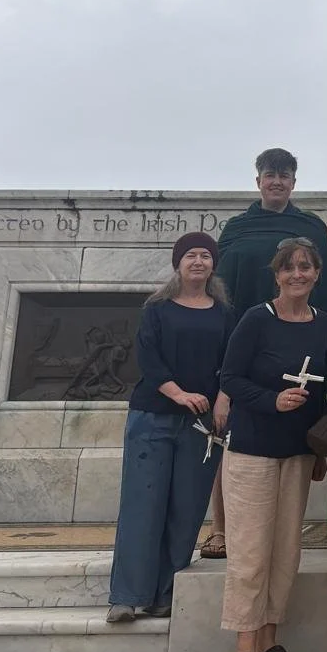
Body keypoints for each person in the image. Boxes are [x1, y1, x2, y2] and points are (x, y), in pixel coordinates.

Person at [206, 148, 327, 561]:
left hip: (297, 349)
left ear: (294, 182)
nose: (276, 181)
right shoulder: (237, 228)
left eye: (284, 175)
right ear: (257, 180)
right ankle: (220, 528)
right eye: (269, 174)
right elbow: (219, 296)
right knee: (230, 437)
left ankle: (279, 539)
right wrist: (225, 377)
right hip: (245, 347)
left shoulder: (311, 226)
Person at [217, 236, 327, 652]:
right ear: (277, 273)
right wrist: (272, 400)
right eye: (290, 268)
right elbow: (230, 378)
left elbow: (323, 389)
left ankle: (269, 643)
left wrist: (321, 451)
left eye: (306, 267)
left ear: (317, 274)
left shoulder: (324, 324)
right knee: (250, 548)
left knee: (286, 549)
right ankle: (244, 646)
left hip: (298, 452)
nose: (298, 274)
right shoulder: (256, 319)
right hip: (252, 449)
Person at [107, 234, 234, 623]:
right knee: (143, 505)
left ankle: (164, 592)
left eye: (205, 256)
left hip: (201, 425)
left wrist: (223, 401)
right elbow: (148, 356)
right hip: (153, 416)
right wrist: (177, 393)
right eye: (191, 255)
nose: (198, 261)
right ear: (178, 263)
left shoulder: (225, 313)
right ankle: (127, 595)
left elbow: (232, 361)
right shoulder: (158, 309)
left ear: (213, 265)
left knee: (186, 507)